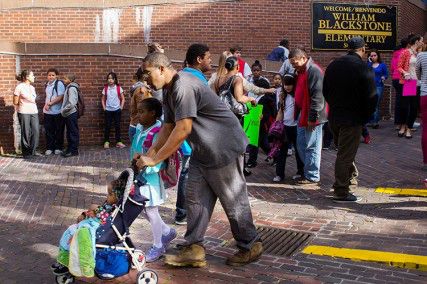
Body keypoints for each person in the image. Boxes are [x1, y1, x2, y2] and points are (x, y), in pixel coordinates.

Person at [137, 52, 262, 267]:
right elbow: (168, 127)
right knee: (195, 198)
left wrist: (156, 159)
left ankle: (250, 245)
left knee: (232, 200)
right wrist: (150, 153)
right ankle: (193, 248)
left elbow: (183, 128)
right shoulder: (168, 91)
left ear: (161, 69)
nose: (145, 78)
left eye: (147, 73)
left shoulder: (182, 86)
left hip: (224, 148)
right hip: (203, 151)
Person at [323, 36, 376, 203]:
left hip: (335, 117)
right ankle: (341, 191)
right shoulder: (363, 67)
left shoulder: (334, 65)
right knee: (345, 155)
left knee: (345, 152)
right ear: (362, 49)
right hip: (352, 119)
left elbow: (326, 91)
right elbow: (371, 96)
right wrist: (365, 116)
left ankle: (350, 181)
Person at [130, 98, 176, 262]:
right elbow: (135, 147)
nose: (139, 115)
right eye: (138, 111)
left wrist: (148, 165)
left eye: (142, 112)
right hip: (140, 176)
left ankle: (158, 245)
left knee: (151, 210)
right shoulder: (141, 128)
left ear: (153, 113)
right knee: (145, 209)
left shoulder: (159, 131)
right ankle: (166, 231)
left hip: (150, 178)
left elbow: (160, 156)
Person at [289, 48, 327, 185]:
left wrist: (313, 118)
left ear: (304, 58)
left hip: (311, 115)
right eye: (291, 62)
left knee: (312, 145)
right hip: (302, 113)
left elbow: (318, 97)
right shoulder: (300, 71)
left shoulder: (314, 70)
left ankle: (312, 175)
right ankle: (308, 172)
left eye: (295, 62)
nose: (293, 65)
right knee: (301, 144)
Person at [273, 74, 304, 182]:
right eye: (286, 84)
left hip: (296, 127)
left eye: (290, 84)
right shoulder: (282, 95)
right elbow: (280, 110)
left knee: (299, 151)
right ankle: (279, 174)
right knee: (282, 151)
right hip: (284, 127)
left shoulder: (298, 95)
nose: (287, 87)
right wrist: (277, 124)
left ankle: (301, 172)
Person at [208, 51, 275, 96]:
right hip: (232, 111)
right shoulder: (237, 76)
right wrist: (267, 90)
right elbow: (251, 88)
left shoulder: (214, 76)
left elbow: (207, 91)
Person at [398, 34, 424, 139]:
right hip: (409, 82)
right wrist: (405, 73)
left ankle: (409, 128)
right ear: (417, 41)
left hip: (418, 83)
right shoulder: (406, 52)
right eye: (421, 40)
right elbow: (399, 67)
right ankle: (403, 126)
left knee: (414, 107)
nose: (422, 42)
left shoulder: (420, 54)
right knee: (405, 106)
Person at [14, 70, 40, 158]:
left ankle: (33, 151)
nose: (34, 77)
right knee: (25, 132)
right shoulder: (19, 87)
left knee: (35, 131)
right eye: (32, 75)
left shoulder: (32, 88)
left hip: (34, 111)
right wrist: (20, 107)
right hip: (24, 111)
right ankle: (26, 153)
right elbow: (15, 101)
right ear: (27, 77)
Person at [43, 68, 66, 155]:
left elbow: (60, 97)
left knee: (58, 130)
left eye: (53, 75)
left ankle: (58, 147)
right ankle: (49, 148)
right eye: (49, 75)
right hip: (47, 112)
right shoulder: (47, 84)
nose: (51, 77)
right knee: (49, 131)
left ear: (56, 76)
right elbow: (47, 97)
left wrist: (50, 104)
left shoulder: (59, 83)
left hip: (57, 112)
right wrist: (45, 107)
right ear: (47, 76)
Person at [101, 72, 126, 149]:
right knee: (107, 126)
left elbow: (123, 99)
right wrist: (104, 109)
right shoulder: (105, 88)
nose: (110, 80)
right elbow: (102, 99)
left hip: (117, 110)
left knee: (117, 126)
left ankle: (118, 142)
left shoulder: (118, 88)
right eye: (109, 78)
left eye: (112, 78)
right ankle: (106, 142)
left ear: (115, 79)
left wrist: (121, 108)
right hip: (108, 110)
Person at [129, 67, 152, 144]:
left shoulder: (141, 88)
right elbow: (142, 111)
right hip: (139, 128)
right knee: (140, 155)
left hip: (138, 127)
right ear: (144, 76)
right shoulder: (141, 90)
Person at [391, 38, 409, 129]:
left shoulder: (395, 53)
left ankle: (398, 123)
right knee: (408, 102)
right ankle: (407, 124)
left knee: (399, 101)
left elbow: (392, 67)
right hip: (408, 79)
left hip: (395, 78)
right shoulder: (408, 52)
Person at [367, 49, 388, 129]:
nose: (373, 57)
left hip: (379, 86)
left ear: (378, 55)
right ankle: (370, 121)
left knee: (376, 104)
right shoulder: (369, 64)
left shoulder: (382, 65)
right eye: (371, 56)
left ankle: (375, 122)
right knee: (370, 104)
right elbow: (367, 71)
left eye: (374, 55)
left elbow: (386, 74)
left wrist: (383, 77)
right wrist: (369, 62)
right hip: (370, 86)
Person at [60, 74, 80, 157]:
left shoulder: (71, 88)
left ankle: (74, 151)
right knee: (69, 132)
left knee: (72, 132)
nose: (64, 80)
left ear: (70, 80)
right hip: (69, 113)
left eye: (65, 79)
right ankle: (69, 149)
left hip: (71, 113)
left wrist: (63, 110)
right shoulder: (69, 87)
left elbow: (72, 103)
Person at [416, 37, 427, 170]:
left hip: (424, 92)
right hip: (410, 86)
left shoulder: (420, 55)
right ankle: (405, 127)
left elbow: (414, 72)